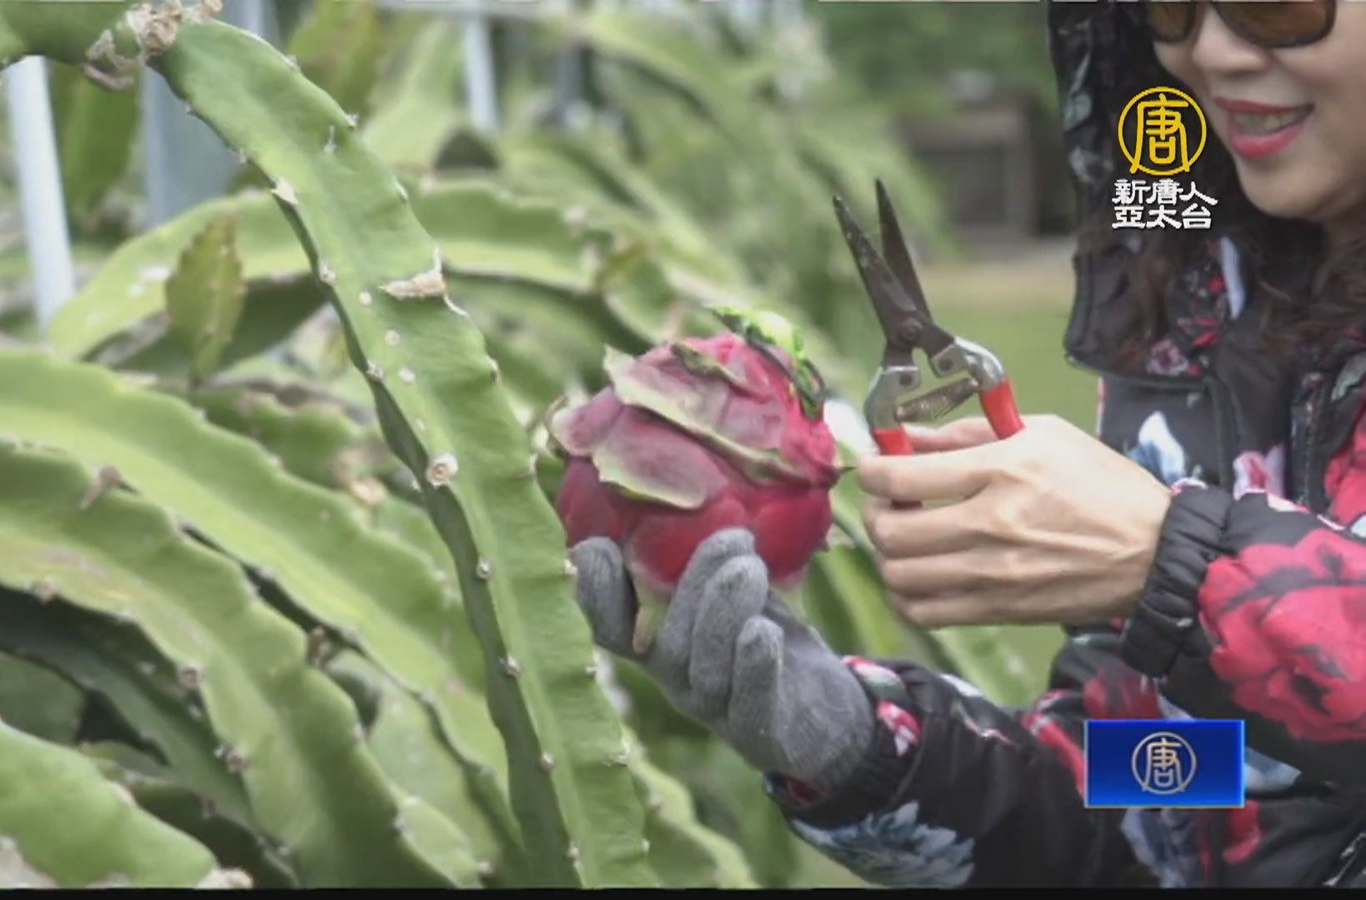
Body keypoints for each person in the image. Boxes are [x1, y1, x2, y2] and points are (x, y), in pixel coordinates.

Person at [570, 0, 1366, 888]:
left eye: (1278, 5)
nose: (1211, 52)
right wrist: (858, 748)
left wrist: (1181, 568)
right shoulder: (1199, 321)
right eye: (1171, 6)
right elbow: (1172, 787)